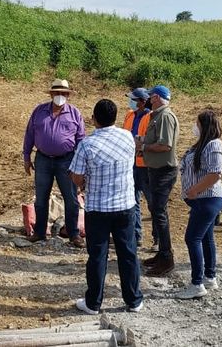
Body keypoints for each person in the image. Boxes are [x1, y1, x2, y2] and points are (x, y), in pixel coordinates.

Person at [69, 99, 144, 314]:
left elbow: (76, 176)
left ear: (94, 119)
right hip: (125, 206)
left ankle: (93, 303)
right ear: (115, 117)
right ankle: (134, 300)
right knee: (128, 253)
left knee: (97, 256)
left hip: (98, 208)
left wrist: (84, 182)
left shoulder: (87, 144)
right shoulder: (127, 137)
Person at [23, 79, 86, 248]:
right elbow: (29, 134)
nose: (60, 96)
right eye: (57, 93)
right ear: (51, 94)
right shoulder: (39, 111)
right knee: (41, 198)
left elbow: (81, 140)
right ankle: (39, 232)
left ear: (68, 95)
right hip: (43, 159)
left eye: (63, 93)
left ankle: (73, 234)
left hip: (67, 160)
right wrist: (26, 157)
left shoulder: (75, 113)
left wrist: (81, 164)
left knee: (71, 198)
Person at [176, 110, 222, 300]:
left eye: (197, 123)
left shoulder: (214, 145)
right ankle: (209, 277)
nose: (194, 126)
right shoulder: (202, 144)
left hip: (207, 199)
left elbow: (215, 174)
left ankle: (197, 284)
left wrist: (195, 190)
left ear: (204, 126)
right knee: (206, 237)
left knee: (192, 238)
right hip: (202, 199)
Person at [138, 85, 179, 277]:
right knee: (157, 212)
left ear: (156, 98)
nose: (147, 100)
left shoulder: (165, 116)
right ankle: (162, 254)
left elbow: (165, 145)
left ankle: (166, 258)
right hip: (156, 170)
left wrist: (143, 146)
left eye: (150, 96)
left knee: (159, 213)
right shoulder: (158, 116)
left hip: (164, 171)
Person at [122, 87, 153, 249]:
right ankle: (135, 235)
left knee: (152, 203)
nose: (131, 102)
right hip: (130, 163)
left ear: (142, 101)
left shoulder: (151, 117)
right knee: (132, 201)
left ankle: (157, 238)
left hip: (145, 165)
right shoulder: (129, 115)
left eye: (133, 99)